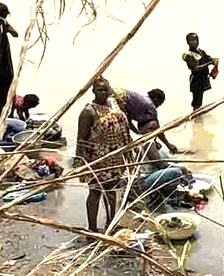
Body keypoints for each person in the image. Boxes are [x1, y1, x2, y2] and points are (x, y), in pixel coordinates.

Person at [74, 78, 135, 233]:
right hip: (98, 159)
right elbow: (81, 140)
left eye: (106, 89)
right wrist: (80, 164)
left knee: (112, 191)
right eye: (100, 89)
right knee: (95, 192)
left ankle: (111, 223)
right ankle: (92, 229)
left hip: (116, 157)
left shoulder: (114, 104)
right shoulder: (88, 111)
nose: (104, 92)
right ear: (93, 91)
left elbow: (125, 131)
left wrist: (129, 153)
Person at [113, 86, 178, 154]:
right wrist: (168, 144)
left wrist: (138, 133)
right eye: (160, 103)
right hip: (118, 97)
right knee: (153, 123)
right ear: (156, 100)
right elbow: (158, 129)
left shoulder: (139, 104)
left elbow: (128, 121)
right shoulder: (151, 106)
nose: (159, 106)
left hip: (118, 95)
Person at [182, 32, 219, 112]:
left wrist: (213, 61)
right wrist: (209, 63)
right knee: (196, 101)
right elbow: (195, 68)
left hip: (203, 78)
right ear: (188, 42)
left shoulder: (201, 51)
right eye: (192, 40)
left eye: (196, 39)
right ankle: (195, 116)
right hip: (196, 80)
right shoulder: (189, 55)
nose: (194, 42)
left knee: (200, 99)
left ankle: (197, 116)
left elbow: (208, 58)